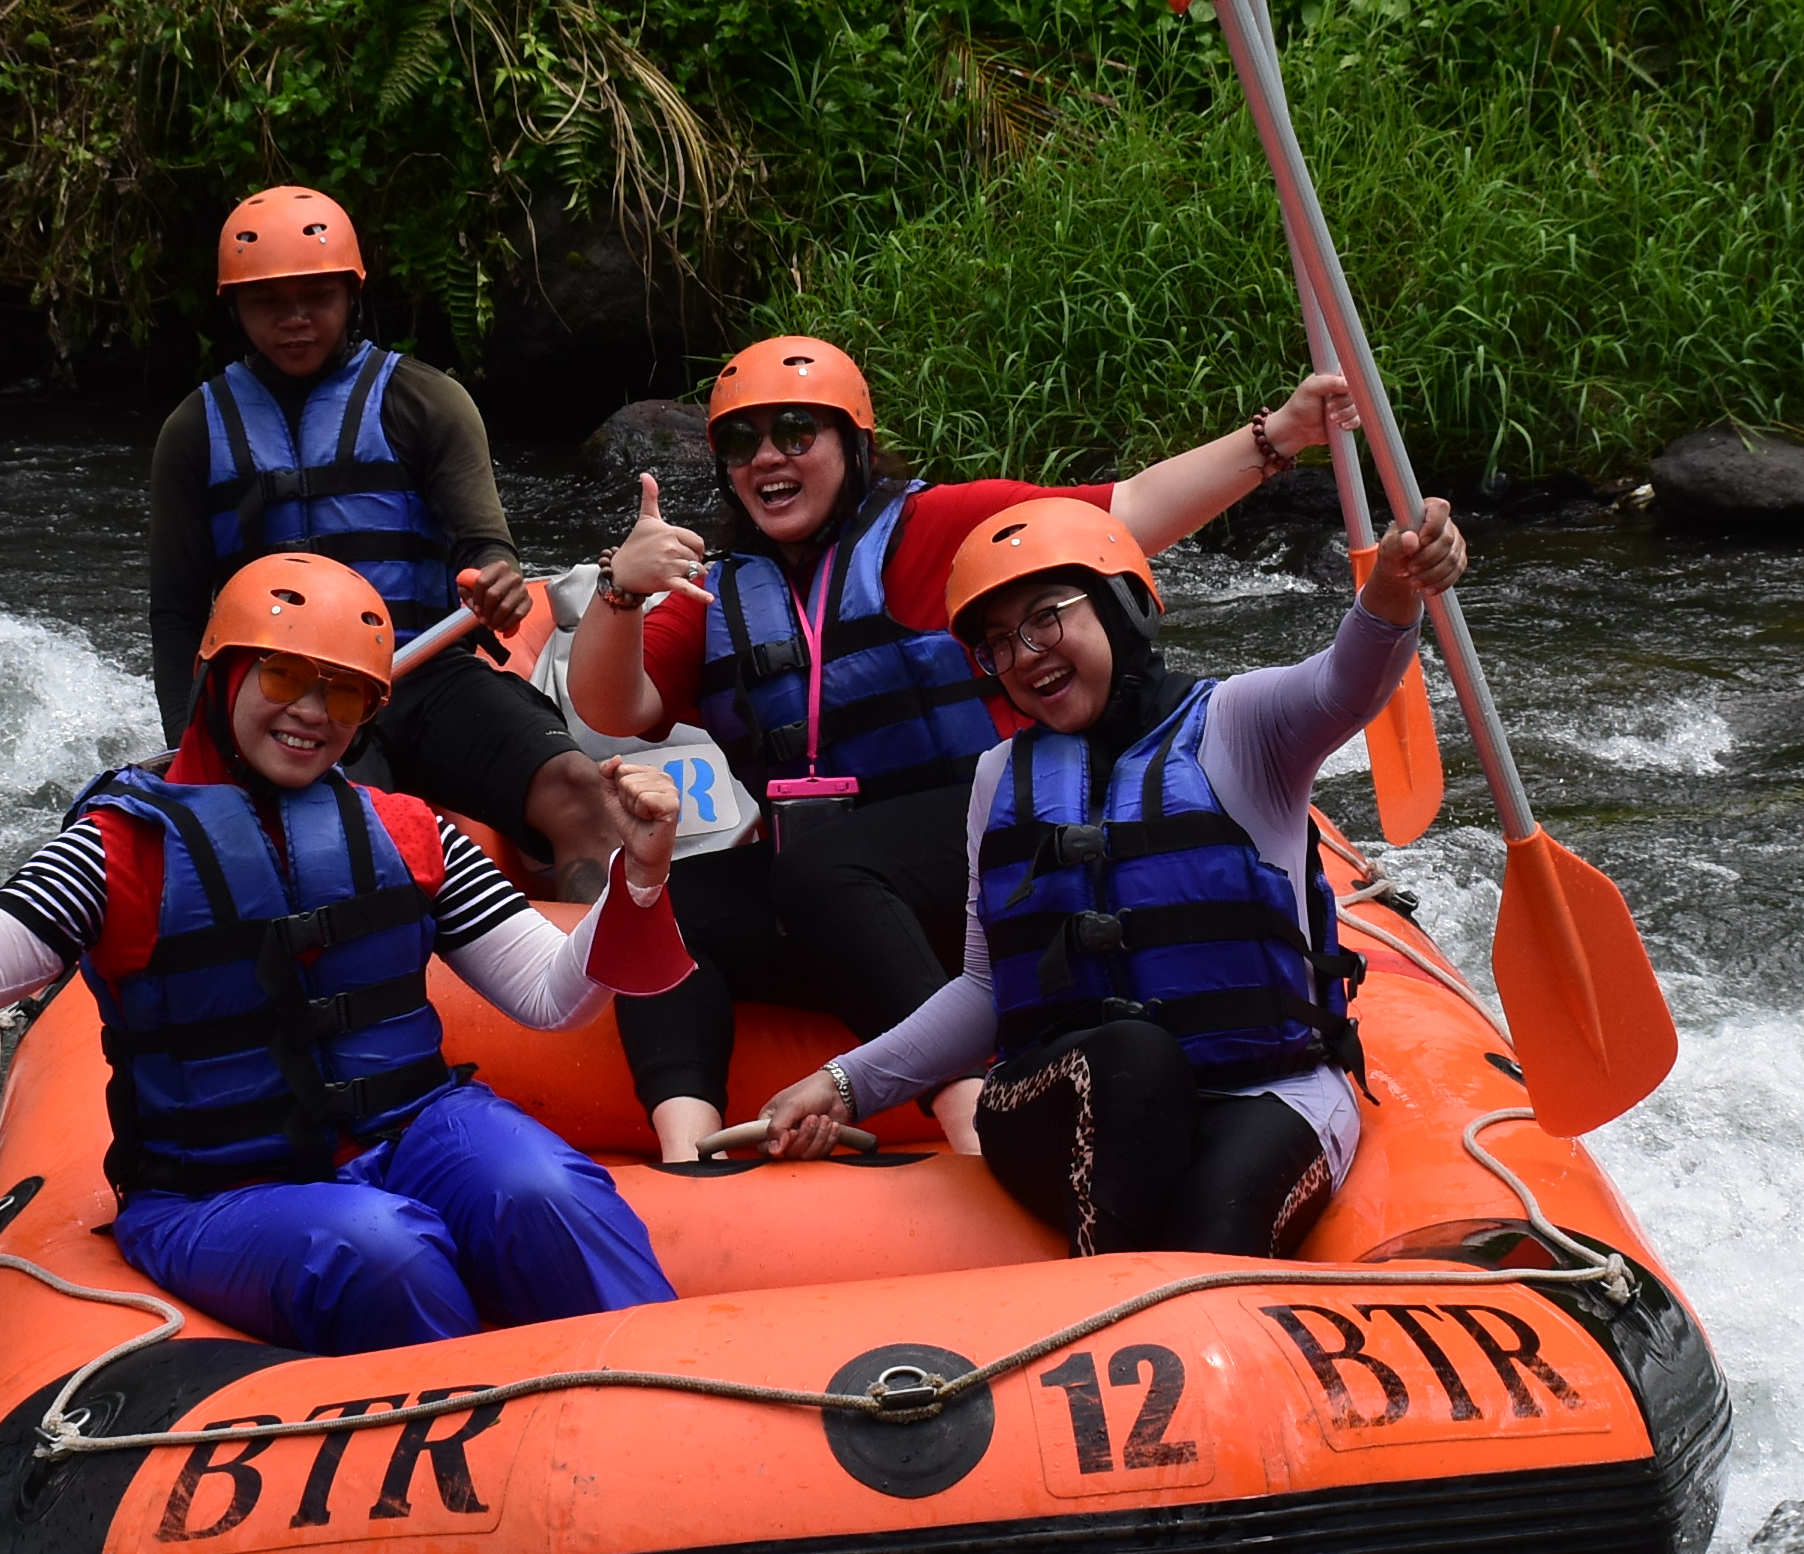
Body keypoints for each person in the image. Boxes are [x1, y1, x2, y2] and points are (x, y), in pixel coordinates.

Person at [0, 554, 694, 1356]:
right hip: (213, 1192)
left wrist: (637, 882)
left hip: (413, 1132)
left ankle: (663, 1425)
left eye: (342, 690)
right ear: (220, 677)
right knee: (383, 1252)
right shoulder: (118, 849)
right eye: (284, 675)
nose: (311, 712)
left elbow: (551, 995)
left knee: (549, 1196)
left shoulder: (406, 830)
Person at [566, 332, 1360, 1167]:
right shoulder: (716, 590)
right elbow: (609, 703)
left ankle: (971, 1120)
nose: (769, 457)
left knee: (825, 869)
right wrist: (623, 590)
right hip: (842, 898)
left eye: (797, 431)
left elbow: (1124, 517)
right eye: (741, 441)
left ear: (851, 443)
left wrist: (1279, 437)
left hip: (1004, 858)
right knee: (662, 900)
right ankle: (689, 1155)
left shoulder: (935, 528)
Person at [745, 489, 1471, 1257]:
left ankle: (1146, 1298)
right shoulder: (998, 778)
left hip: (1264, 1087)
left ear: (1122, 606)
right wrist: (845, 1083)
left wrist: (1394, 590)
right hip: (1071, 1093)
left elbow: (1344, 684)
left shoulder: (1241, 723)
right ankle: (1109, 1285)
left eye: (1045, 618)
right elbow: (988, 992)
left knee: (1214, 1221)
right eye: (998, 642)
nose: (1024, 655)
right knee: (1129, 1055)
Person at [149, 186, 625, 893]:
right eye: (268, 303)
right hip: (286, 696)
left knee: (577, 788)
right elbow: (179, 613)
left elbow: (485, 547)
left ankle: (607, 983)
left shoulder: (425, 401)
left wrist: (495, 576)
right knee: (327, 852)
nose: (296, 320)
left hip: (423, 672)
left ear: (351, 295)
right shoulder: (194, 432)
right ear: (236, 311)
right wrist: (192, 743)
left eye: (316, 296)